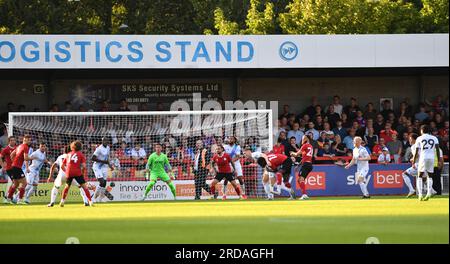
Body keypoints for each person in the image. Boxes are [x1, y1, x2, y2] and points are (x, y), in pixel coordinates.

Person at [59, 141, 93, 207]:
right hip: (77, 172)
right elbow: (84, 166)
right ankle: (90, 201)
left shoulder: (68, 154)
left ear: (72, 147)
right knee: (84, 187)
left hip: (69, 172)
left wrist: (66, 172)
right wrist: (82, 173)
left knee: (67, 187)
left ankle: (62, 201)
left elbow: (62, 166)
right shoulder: (80, 154)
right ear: (80, 147)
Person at [412, 125, 440, 201]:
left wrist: (414, 161)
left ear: (422, 130)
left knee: (420, 176)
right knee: (430, 176)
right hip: (431, 158)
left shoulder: (419, 138)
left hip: (423, 157)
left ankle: (420, 194)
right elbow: (437, 149)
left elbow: (416, 151)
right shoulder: (434, 138)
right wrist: (439, 160)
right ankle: (429, 193)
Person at [6, 135, 33, 204]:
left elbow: (12, 154)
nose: (30, 141)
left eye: (30, 140)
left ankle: (8, 199)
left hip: (13, 167)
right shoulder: (25, 147)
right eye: (29, 140)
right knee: (25, 183)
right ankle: (19, 200)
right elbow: (26, 158)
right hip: (17, 167)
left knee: (15, 184)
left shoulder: (19, 146)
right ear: (25, 140)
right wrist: (34, 158)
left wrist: (14, 161)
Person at [92, 138, 114, 203]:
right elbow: (93, 158)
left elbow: (107, 159)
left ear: (108, 141)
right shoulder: (99, 149)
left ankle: (101, 198)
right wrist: (103, 161)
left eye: (106, 140)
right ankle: (93, 198)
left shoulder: (108, 148)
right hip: (97, 167)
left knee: (104, 183)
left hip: (104, 167)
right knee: (101, 182)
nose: (105, 141)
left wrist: (110, 166)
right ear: (102, 141)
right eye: (103, 140)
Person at [291, 135, 314, 200]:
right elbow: (304, 157)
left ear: (306, 139)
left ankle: (304, 195)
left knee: (301, 179)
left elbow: (296, 154)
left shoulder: (305, 145)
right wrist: (298, 166)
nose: (302, 139)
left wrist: (292, 153)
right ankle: (304, 194)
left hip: (306, 164)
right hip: (309, 164)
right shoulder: (310, 146)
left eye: (303, 138)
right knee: (299, 180)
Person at [402, 133, 419, 198]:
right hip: (423, 164)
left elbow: (417, 155)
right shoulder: (420, 145)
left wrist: (413, 162)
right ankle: (432, 190)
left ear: (414, 139)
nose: (409, 140)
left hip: (418, 164)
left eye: (410, 139)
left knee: (404, 174)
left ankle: (411, 190)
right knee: (424, 178)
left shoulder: (414, 146)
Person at [0, 136, 16, 204]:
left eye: (14, 140)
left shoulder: (16, 148)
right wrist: (2, 165)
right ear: (9, 141)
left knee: (15, 183)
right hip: (9, 168)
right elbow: (0, 157)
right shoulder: (6, 149)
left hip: (16, 168)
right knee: (15, 182)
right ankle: (8, 197)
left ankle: (10, 197)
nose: (13, 141)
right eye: (11, 140)